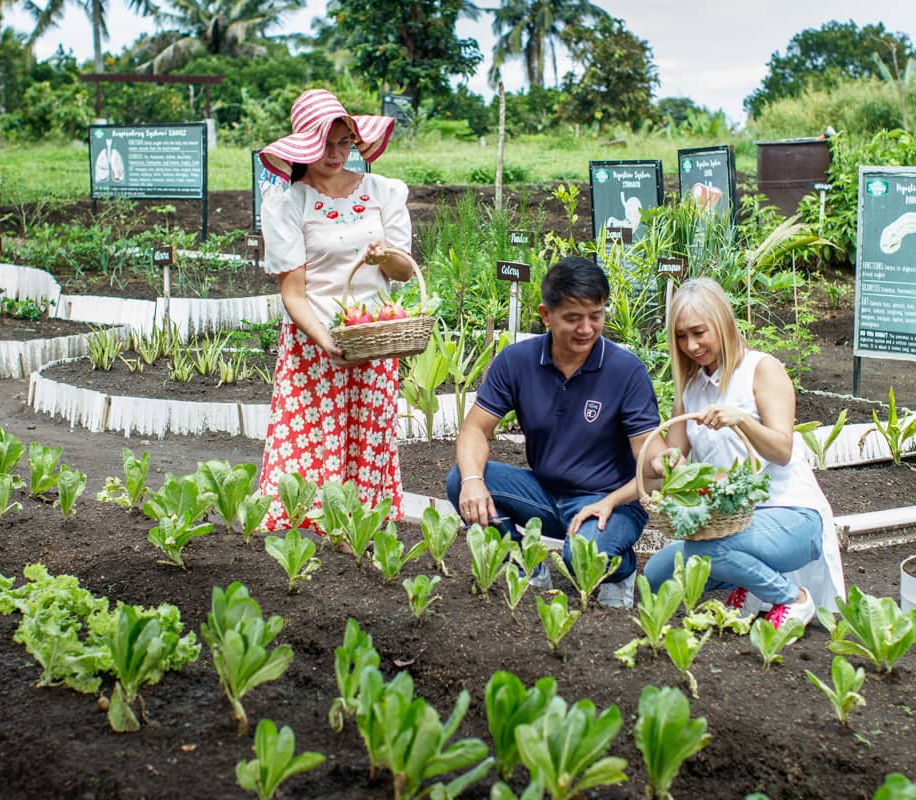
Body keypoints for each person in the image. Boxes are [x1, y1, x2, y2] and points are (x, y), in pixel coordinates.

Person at [446, 257, 664, 608]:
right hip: (544, 493)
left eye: (596, 315)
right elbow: (474, 428)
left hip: (609, 503)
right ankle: (525, 567)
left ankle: (622, 569)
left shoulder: (626, 372)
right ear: (546, 315)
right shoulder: (516, 361)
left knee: (583, 557)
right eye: (573, 318)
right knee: (461, 479)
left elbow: (649, 455)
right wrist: (473, 479)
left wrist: (660, 462)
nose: (587, 329)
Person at [255, 88, 417, 532]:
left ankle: (357, 532)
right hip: (315, 342)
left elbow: (404, 271)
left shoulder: (382, 191)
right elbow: (293, 292)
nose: (336, 153)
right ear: (303, 145)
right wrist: (326, 340)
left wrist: (384, 255)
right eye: (325, 143)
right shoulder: (289, 203)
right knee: (313, 440)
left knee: (366, 438)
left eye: (345, 142)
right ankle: (305, 533)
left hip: (373, 337)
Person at [642, 277, 846, 628]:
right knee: (656, 573)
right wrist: (662, 463)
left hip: (791, 515)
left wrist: (741, 421)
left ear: (722, 323)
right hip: (731, 522)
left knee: (713, 549)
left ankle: (791, 599)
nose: (691, 345)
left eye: (699, 332)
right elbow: (673, 457)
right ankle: (749, 586)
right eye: (681, 336)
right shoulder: (691, 388)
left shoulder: (761, 369)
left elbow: (782, 450)